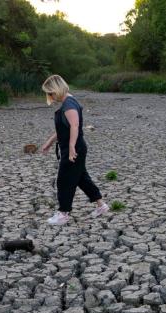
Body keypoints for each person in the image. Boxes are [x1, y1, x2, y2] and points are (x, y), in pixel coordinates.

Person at [39, 75, 109, 226]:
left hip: (74, 149)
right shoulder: (67, 102)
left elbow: (75, 126)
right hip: (73, 147)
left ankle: (63, 213)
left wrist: (71, 148)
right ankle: (102, 206)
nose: (50, 96)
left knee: (64, 180)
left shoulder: (69, 104)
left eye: (50, 93)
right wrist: (49, 142)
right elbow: (63, 129)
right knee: (81, 178)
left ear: (56, 89)